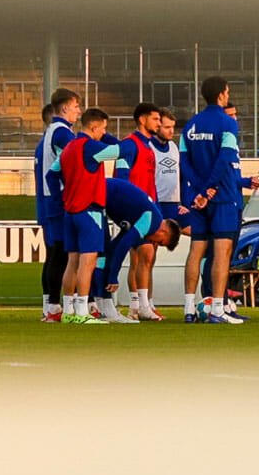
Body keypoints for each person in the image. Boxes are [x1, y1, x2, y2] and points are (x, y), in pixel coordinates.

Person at [180, 77, 245, 324]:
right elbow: (225, 158)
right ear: (221, 94)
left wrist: (198, 191)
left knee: (196, 250)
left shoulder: (191, 125)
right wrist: (209, 190)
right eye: (227, 91)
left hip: (197, 198)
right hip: (223, 196)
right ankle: (217, 308)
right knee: (221, 252)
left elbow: (184, 161)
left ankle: (189, 308)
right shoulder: (228, 123)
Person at [113, 103, 183, 321]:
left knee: (146, 257)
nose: (160, 124)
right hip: (135, 210)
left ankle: (141, 305)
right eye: (155, 120)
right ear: (143, 120)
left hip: (150, 207)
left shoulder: (148, 147)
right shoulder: (130, 145)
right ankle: (137, 305)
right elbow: (121, 178)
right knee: (141, 255)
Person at [55, 107, 123, 324]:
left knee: (72, 262)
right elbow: (120, 149)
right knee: (88, 262)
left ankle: (68, 310)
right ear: (93, 127)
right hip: (89, 210)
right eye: (102, 128)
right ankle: (83, 311)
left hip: (70, 210)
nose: (104, 132)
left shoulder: (69, 148)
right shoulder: (92, 147)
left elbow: (52, 173)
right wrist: (109, 138)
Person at [91, 177, 184, 322]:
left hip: (98, 194)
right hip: (96, 196)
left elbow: (119, 243)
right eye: (160, 242)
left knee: (103, 254)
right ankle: (104, 308)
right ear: (164, 231)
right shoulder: (152, 221)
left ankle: (102, 306)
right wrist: (113, 277)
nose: (154, 243)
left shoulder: (142, 215)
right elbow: (124, 245)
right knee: (102, 255)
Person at [32, 87, 81, 322]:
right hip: (58, 202)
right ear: (64, 108)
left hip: (47, 201)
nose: (78, 112)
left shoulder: (49, 135)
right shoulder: (62, 133)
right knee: (61, 255)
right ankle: (54, 306)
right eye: (75, 107)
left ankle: (49, 306)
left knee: (54, 255)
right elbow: (74, 164)